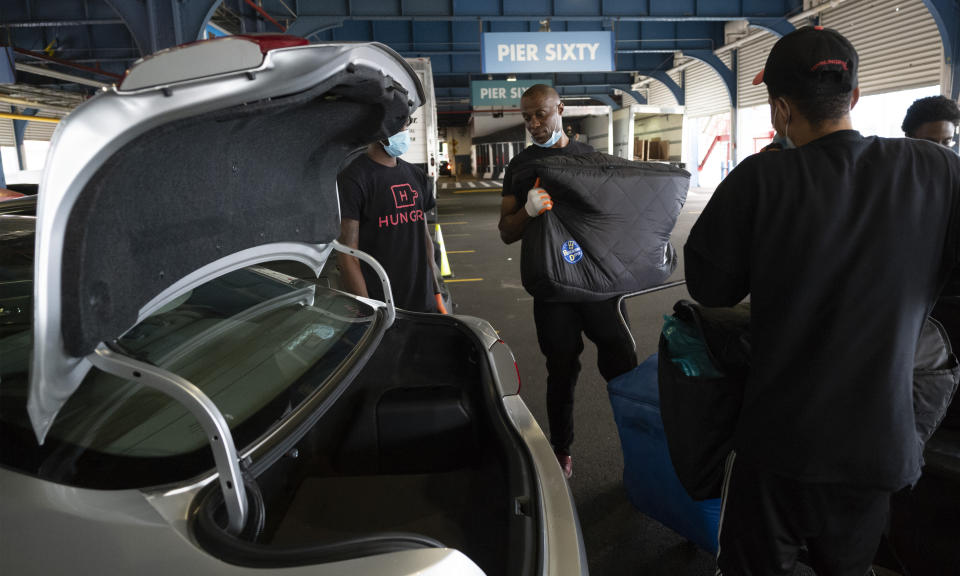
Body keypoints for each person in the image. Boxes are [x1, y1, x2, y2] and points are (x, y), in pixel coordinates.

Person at [684, 27, 960, 576]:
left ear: (781, 110)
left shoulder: (761, 178)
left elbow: (710, 290)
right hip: (880, 445)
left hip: (783, 444)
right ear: (853, 96)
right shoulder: (937, 170)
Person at [498, 84, 637, 478]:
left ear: (561, 108)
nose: (534, 124)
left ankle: (639, 442)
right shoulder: (520, 167)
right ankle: (561, 450)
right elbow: (507, 231)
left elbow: (616, 217)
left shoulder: (590, 158)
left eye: (541, 114)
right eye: (526, 117)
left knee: (622, 364)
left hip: (598, 282)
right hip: (553, 286)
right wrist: (528, 211)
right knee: (561, 369)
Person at [337, 119, 445, 314]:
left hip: (424, 304)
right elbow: (347, 254)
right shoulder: (353, 179)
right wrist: (369, 310)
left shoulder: (416, 175)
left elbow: (424, 237)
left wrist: (437, 292)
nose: (406, 131)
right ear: (382, 129)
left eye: (407, 124)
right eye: (402, 125)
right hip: (384, 308)